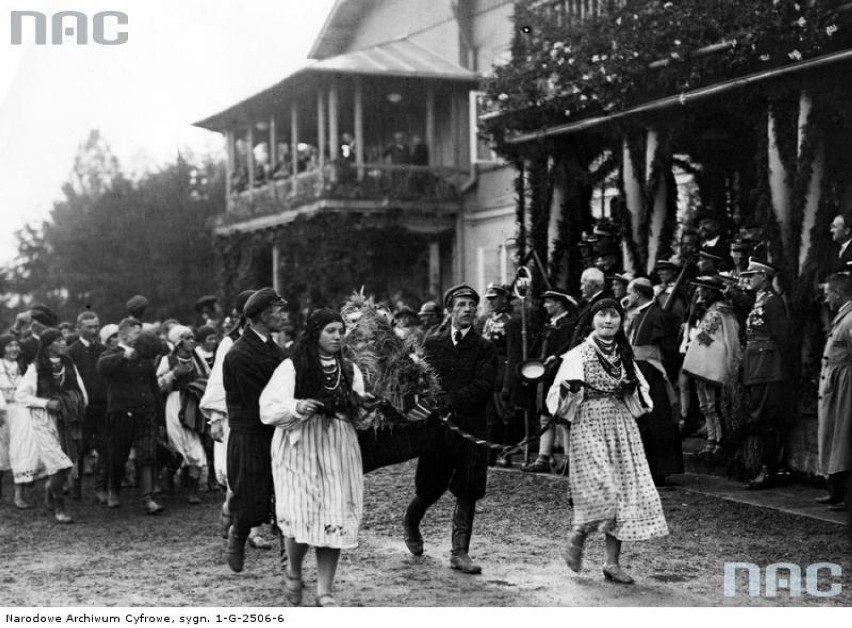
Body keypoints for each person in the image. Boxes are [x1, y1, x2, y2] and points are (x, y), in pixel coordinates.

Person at [546, 298, 668, 584]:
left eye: (614, 316)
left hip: (621, 425)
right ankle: (578, 533)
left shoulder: (625, 355)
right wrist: (568, 390)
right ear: (592, 320)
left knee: (624, 493)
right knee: (603, 488)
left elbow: (643, 400)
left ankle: (612, 563)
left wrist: (631, 389)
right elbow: (555, 400)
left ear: (620, 322)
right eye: (602, 315)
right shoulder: (578, 354)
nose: (608, 321)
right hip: (589, 423)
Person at [260, 309, 375, 607]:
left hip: (338, 447)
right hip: (300, 448)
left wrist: (364, 407)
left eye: (340, 330)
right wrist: (298, 407)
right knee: (302, 514)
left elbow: (360, 418)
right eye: (330, 331)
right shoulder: (291, 367)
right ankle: (294, 572)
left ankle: (325, 590)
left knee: (334, 514)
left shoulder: (349, 369)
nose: (338, 336)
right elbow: (268, 408)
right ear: (315, 333)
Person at [402, 284, 497, 575]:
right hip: (438, 430)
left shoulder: (485, 348)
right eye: (461, 305)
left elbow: (484, 386)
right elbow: (420, 379)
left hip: (472, 428)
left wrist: (451, 400)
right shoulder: (432, 343)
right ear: (450, 311)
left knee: (469, 487)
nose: (468, 309)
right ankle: (411, 522)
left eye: (472, 304)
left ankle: (460, 553)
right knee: (430, 487)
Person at [200, 290, 274, 550]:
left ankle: (250, 525)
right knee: (241, 474)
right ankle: (236, 515)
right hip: (236, 418)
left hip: (264, 417)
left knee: (258, 472)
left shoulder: (268, 342)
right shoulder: (230, 343)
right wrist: (216, 419)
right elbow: (218, 384)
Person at [222, 288, 288, 572]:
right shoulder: (239, 354)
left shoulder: (274, 348)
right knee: (250, 499)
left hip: (275, 430)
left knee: (286, 495)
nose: (284, 316)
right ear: (263, 316)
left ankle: (290, 562)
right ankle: (238, 533)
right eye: (279, 311)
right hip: (250, 435)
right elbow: (259, 400)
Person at [16, 328, 89, 524]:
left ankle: (50, 487)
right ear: (48, 346)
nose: (64, 343)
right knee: (58, 463)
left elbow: (80, 389)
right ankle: (60, 507)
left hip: (68, 419)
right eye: (59, 340)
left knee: (70, 460)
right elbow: (20, 396)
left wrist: (78, 406)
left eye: (64, 340)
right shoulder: (36, 367)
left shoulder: (68, 363)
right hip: (44, 420)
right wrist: (45, 403)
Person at [97, 317, 164, 514]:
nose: (140, 337)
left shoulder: (145, 357)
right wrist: (125, 357)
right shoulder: (111, 353)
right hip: (121, 414)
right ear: (124, 334)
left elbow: (154, 388)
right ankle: (113, 491)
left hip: (146, 412)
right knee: (118, 455)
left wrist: (159, 417)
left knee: (147, 454)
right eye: (136, 333)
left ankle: (147, 498)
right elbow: (102, 368)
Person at [624, 278, 683, 487]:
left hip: (652, 373)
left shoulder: (658, 315)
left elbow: (668, 349)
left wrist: (661, 370)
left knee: (656, 420)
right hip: (639, 370)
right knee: (642, 420)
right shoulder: (640, 314)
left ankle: (659, 469)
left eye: (629, 292)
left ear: (638, 294)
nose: (627, 296)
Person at [739, 258, 790, 489]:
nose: (748, 279)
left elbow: (782, 335)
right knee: (760, 419)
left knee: (768, 420)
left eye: (752, 275)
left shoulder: (771, 301)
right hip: (757, 365)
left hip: (769, 366)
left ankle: (770, 470)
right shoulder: (758, 300)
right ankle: (768, 467)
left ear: (764, 277)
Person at [681, 276, 741, 457]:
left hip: (713, 364)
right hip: (703, 362)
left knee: (714, 405)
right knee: (706, 405)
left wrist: (695, 338)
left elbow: (709, 337)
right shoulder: (711, 311)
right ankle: (711, 439)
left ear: (712, 292)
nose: (699, 292)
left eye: (703, 289)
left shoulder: (719, 312)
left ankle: (719, 442)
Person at [521, 289, 578, 474]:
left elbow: (571, 350)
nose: (545, 305)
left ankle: (569, 459)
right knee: (545, 416)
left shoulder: (570, 325)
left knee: (562, 417)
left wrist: (556, 358)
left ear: (559, 304)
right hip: (543, 379)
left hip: (562, 377)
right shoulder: (548, 325)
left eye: (548, 302)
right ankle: (543, 457)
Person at [156, 325, 210, 505]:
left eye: (193, 337)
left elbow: (208, 379)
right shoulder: (168, 360)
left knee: (196, 449)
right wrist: (173, 374)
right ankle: (168, 479)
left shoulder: (198, 359)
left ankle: (191, 490)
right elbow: (157, 385)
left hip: (192, 404)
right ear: (179, 341)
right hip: (174, 403)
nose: (192, 341)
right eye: (188, 338)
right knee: (177, 445)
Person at [815, 273, 852, 510]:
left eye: (828, 293)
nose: (826, 299)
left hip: (845, 385)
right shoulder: (843, 316)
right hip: (835, 384)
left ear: (838, 294)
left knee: (844, 437)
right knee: (834, 436)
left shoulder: (850, 319)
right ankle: (837, 491)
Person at [66, 311, 109, 503]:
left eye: (96, 326)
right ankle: (76, 487)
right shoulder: (70, 352)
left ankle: (101, 488)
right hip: (81, 410)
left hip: (103, 407)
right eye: (89, 327)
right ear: (79, 328)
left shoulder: (105, 350)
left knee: (105, 447)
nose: (94, 330)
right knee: (79, 449)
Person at [0, 335, 38, 508]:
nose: (14, 349)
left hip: (21, 412)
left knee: (21, 450)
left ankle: (19, 495)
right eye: (9, 346)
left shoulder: (26, 367)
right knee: (1, 453)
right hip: (2, 411)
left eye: (16, 345)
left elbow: (31, 390)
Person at [481, 283, 516, 466]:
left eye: (495, 298)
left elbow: (513, 354)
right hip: (488, 374)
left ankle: (506, 453)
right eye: (489, 299)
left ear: (504, 298)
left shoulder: (511, 321)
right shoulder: (488, 320)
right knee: (490, 418)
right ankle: (491, 453)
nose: (491, 302)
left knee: (505, 416)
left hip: (502, 374)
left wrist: (508, 383)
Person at [569, 267, 610, 349]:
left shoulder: (603, 304)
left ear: (592, 284)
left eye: (583, 284)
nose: (581, 288)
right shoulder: (591, 304)